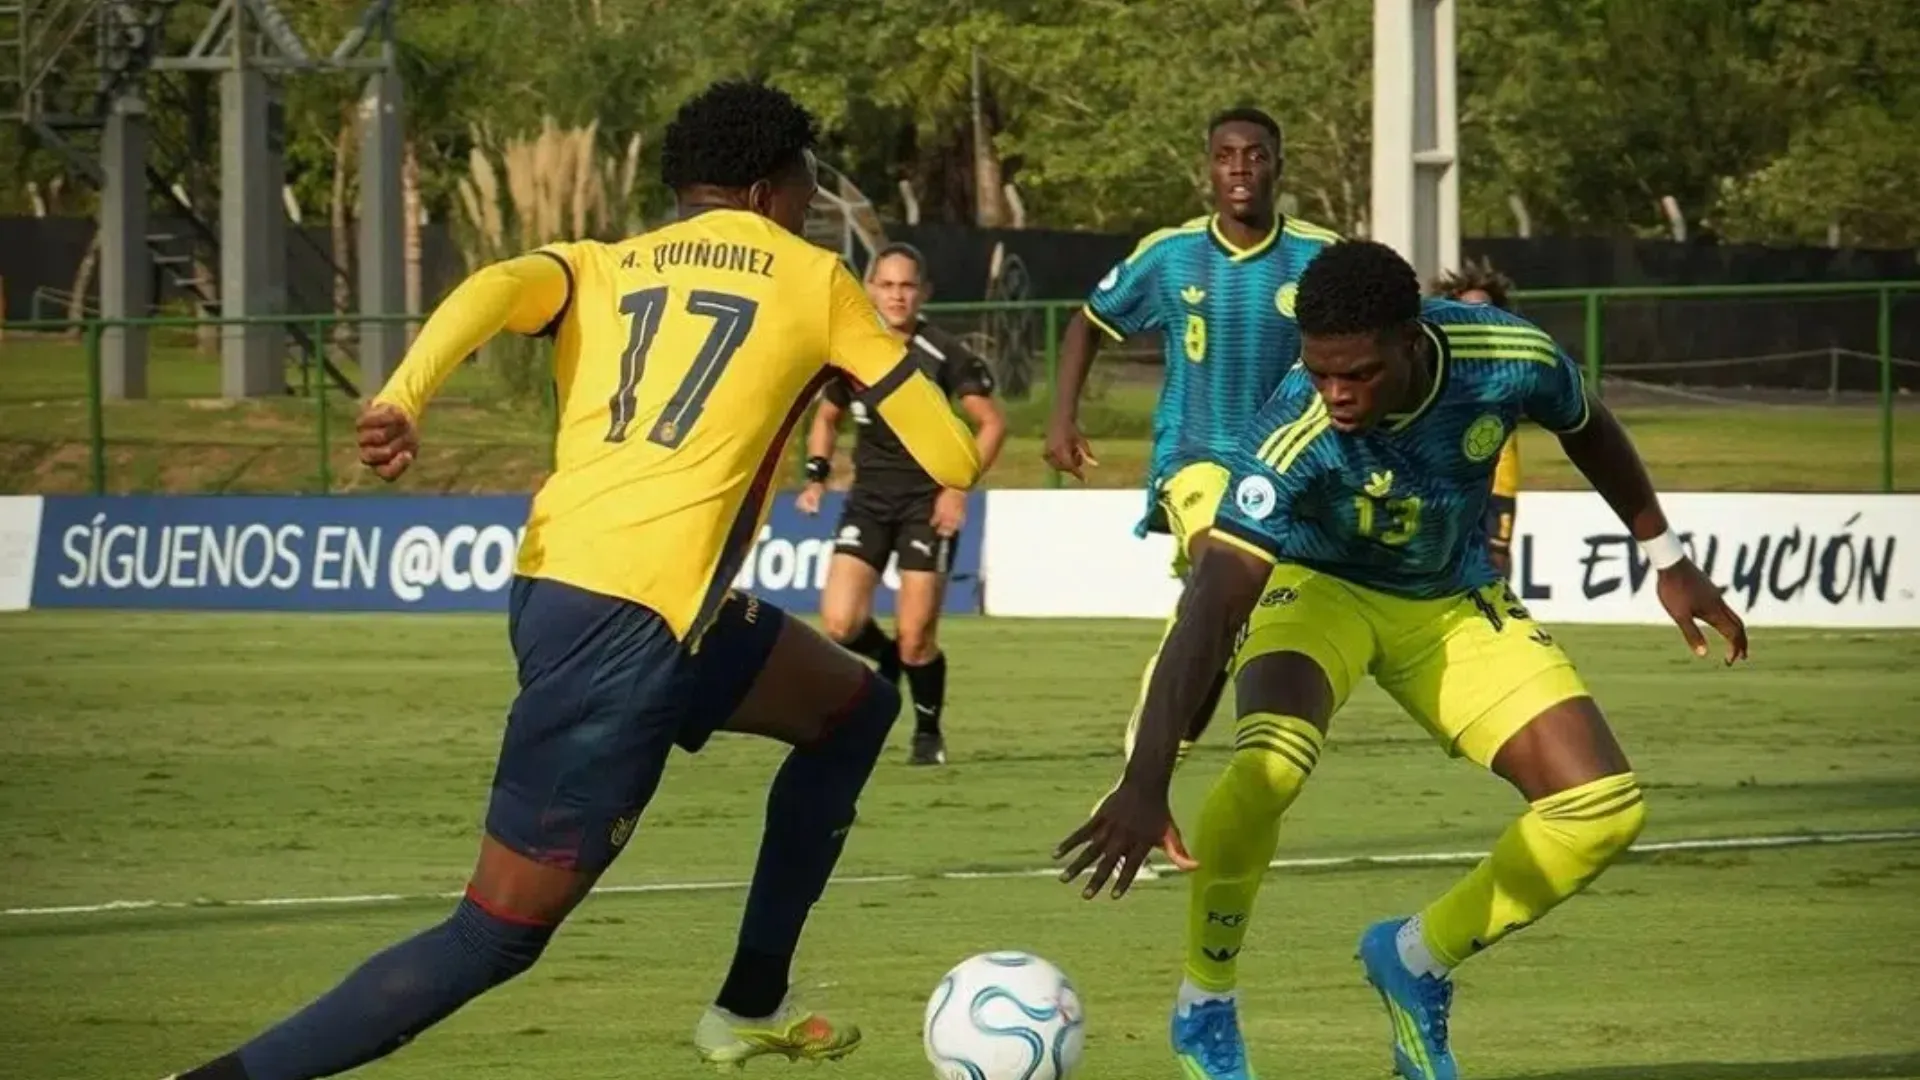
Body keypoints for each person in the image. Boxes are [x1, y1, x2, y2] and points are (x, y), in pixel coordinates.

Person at [164, 80, 982, 1080]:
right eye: (809, 183)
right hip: (626, 634)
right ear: (771, 189)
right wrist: (872, 365)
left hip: (573, 585)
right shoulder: (817, 281)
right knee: (493, 933)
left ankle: (748, 1004)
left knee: (851, 710)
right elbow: (953, 454)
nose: (814, 201)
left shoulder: (606, 262)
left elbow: (495, 288)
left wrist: (404, 394)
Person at [1056, 240, 1748, 1080]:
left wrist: (1668, 558)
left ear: (1412, 338)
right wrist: (1146, 773)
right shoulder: (1292, 434)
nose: (1337, 396)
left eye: (1358, 374)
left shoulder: (1508, 355)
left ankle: (1415, 959)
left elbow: (1587, 425)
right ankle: (1206, 1003)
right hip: (1318, 589)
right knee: (1266, 771)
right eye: (1319, 374)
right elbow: (1211, 605)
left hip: (1449, 601)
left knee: (1604, 807)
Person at [1042, 106, 1338, 826]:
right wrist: (1061, 417)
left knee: (1215, 629)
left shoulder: (1320, 256)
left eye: (1256, 155)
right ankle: (1134, 787)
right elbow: (1089, 320)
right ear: (1208, 167)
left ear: (1279, 165)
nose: (1240, 168)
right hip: (1196, 459)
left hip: (1289, 469)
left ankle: (1145, 786)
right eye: (1226, 155)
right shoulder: (1171, 255)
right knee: (1223, 588)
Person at [796, 242, 1006, 766]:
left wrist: (957, 488)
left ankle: (927, 733)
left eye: (906, 285)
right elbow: (826, 417)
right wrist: (817, 474)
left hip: (926, 506)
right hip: (868, 501)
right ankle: (886, 657)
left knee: (917, 639)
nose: (896, 296)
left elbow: (993, 424)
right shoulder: (854, 351)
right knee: (840, 624)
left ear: (924, 292)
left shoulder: (944, 353)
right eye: (886, 285)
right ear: (870, 290)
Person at [1433, 258, 1522, 577]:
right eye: (1467, 313)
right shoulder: (1428, 370)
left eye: (1487, 313)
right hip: (1435, 500)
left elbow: (1506, 462)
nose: (1478, 322)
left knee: (1493, 579)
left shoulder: (1507, 377)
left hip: (1490, 499)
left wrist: (1501, 527)